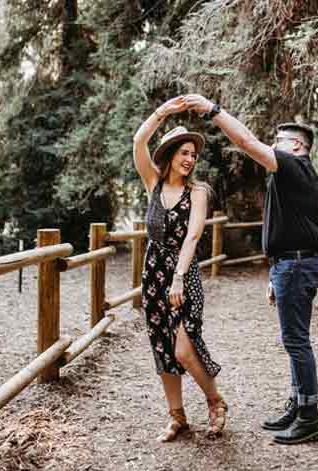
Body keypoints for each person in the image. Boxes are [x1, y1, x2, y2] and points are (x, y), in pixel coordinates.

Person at [182, 94, 318, 445]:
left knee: (296, 341)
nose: (270, 149)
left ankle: (310, 418)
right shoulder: (295, 176)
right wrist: (277, 271)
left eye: (277, 143)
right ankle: (298, 406)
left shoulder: (295, 166)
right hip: (290, 264)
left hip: (295, 265)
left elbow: (246, 142)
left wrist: (213, 111)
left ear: (296, 145)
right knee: (294, 341)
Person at [132, 96, 227, 442]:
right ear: (171, 155)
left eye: (193, 155)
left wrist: (178, 278)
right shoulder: (153, 184)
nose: (189, 159)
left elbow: (193, 235)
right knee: (161, 346)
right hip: (152, 274)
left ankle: (215, 402)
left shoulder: (197, 192)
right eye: (184, 153)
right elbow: (138, 141)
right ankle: (177, 417)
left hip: (183, 276)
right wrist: (164, 112)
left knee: (184, 349)